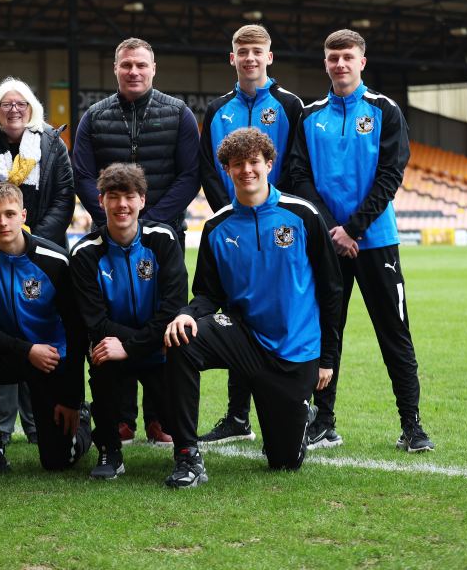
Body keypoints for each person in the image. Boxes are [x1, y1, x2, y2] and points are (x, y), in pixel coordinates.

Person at [162, 128, 342, 488]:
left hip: (294, 350)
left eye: (254, 162)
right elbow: (208, 294)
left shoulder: (303, 216)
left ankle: (297, 418)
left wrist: (328, 358)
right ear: (227, 169)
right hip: (244, 338)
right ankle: (186, 456)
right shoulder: (216, 227)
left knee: (284, 462)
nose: (247, 170)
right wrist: (185, 313)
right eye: (237, 164)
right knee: (183, 339)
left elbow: (332, 290)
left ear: (269, 164)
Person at [287, 29, 435, 452]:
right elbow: (301, 177)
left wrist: (353, 229)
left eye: (347, 57)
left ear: (362, 62)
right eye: (333, 58)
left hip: (376, 243)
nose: (340, 64)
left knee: (395, 334)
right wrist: (332, 230)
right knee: (325, 333)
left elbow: (391, 174)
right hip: (328, 244)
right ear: (325, 63)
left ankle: (412, 426)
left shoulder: (385, 110)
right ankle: (324, 422)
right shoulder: (310, 115)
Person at [72, 37, 201, 445]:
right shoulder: (93, 116)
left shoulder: (178, 113)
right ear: (116, 69)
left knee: (160, 322)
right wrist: (111, 218)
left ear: (153, 68)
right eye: (126, 64)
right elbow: (82, 174)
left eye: (141, 65)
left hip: (162, 237)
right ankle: (121, 416)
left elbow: (190, 175)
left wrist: (149, 223)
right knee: (115, 316)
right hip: (109, 235)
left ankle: (160, 417)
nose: (134, 71)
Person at [196, 24, 305, 446]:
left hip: (282, 231)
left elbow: (297, 164)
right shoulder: (218, 108)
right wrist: (225, 214)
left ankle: (311, 410)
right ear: (232, 58)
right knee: (234, 313)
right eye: (242, 51)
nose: (250, 58)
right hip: (235, 230)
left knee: (283, 316)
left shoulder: (290, 105)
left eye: (257, 51)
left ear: (269, 56)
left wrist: (283, 218)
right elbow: (208, 166)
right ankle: (237, 416)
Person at [0, 77, 75, 447]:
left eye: (20, 104)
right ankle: (1, 430)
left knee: (38, 325)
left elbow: (64, 196)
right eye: (6, 104)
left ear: (32, 109)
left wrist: (32, 240)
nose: (13, 110)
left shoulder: (51, 144)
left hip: (38, 249)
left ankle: (38, 420)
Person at [0, 182, 92, 479]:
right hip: (11, 354)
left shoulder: (55, 260)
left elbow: (76, 330)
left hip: (50, 359)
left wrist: (71, 399)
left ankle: (82, 419)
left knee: (58, 460)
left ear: (23, 216)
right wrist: (25, 350)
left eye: (9, 214)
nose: (2, 222)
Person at [70, 163, 188, 479]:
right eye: (114, 196)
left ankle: (186, 454)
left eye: (129, 196)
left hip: (159, 347)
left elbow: (174, 306)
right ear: (101, 200)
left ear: (142, 201)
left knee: (180, 355)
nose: (122, 204)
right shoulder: (84, 253)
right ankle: (110, 451)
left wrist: (133, 345)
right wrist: (128, 345)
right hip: (115, 346)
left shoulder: (163, 239)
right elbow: (94, 320)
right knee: (101, 354)